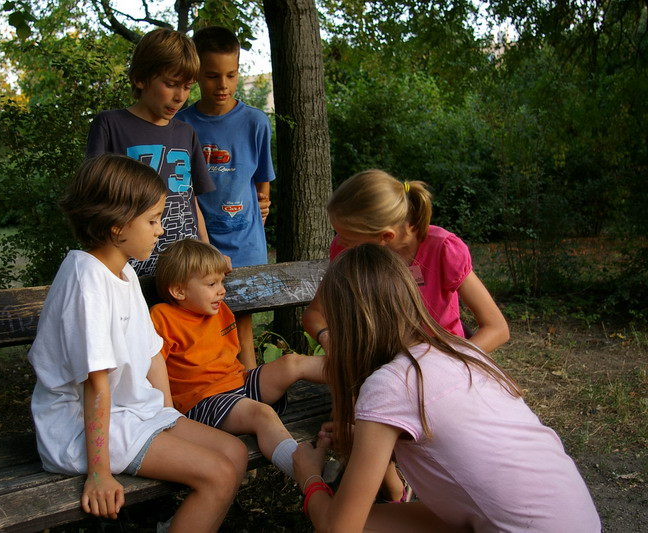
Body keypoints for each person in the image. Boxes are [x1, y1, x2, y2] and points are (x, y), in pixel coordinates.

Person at [293, 243, 601, 533]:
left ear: (345, 325)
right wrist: (366, 442)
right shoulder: (462, 352)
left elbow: (339, 527)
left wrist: (309, 476)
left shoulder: (389, 385)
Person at [27, 154, 246, 532]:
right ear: (116, 226)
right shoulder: (86, 282)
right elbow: (95, 384)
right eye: (152, 220)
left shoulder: (123, 272)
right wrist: (98, 474)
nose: (160, 230)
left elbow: (151, 354)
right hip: (81, 428)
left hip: (133, 413)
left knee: (235, 451)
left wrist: (166, 416)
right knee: (218, 474)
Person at [150, 238, 325, 479]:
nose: (222, 290)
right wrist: (168, 416)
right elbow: (152, 368)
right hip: (203, 401)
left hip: (238, 383)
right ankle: (306, 471)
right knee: (262, 414)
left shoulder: (218, 309)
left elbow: (235, 357)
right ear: (179, 291)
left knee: (291, 362)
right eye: (211, 284)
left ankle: (362, 375)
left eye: (221, 281)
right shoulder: (163, 318)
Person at [303, 169, 509, 355]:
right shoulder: (344, 248)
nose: (340, 244)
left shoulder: (442, 249)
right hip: (383, 364)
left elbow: (497, 329)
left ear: (386, 236)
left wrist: (454, 364)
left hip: (439, 360)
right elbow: (314, 313)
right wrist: (326, 336)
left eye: (349, 239)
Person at [176, 26, 276, 369]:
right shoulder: (183, 124)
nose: (223, 85)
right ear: (196, 74)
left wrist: (263, 204)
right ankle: (215, 386)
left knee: (242, 322)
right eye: (212, 76)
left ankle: (250, 384)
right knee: (204, 318)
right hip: (201, 240)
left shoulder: (255, 122)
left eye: (231, 75)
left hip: (246, 240)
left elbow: (263, 179)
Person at [86, 28, 214, 277]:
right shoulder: (110, 125)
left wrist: (207, 252)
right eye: (171, 84)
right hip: (130, 267)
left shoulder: (186, 133)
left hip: (184, 268)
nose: (180, 97)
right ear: (140, 78)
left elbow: (192, 200)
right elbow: (95, 203)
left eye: (187, 87)